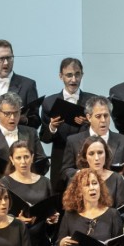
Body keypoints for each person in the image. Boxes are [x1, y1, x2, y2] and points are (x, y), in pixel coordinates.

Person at [0, 92, 47, 190]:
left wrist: (28, 181)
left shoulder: (31, 132)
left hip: (29, 190)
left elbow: (42, 162)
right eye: (7, 113)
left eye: (16, 113)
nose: (12, 118)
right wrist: (13, 183)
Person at [39, 58, 90, 195]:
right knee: (60, 201)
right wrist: (52, 127)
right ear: (60, 76)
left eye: (77, 74)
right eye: (69, 75)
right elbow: (44, 137)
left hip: (86, 160)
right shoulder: (49, 102)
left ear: (82, 75)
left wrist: (90, 123)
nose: (74, 79)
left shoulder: (92, 101)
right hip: (60, 161)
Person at [61, 96, 124, 189]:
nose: (103, 120)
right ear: (89, 117)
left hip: (114, 196)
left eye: (106, 115)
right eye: (98, 116)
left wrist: (120, 178)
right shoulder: (74, 141)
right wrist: (81, 174)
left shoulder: (123, 141)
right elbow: (65, 171)